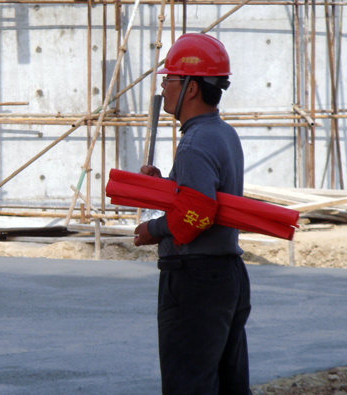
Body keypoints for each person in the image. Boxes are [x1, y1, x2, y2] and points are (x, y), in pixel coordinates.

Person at [133, 33, 252, 395]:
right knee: (229, 386)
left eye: (169, 79)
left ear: (192, 88)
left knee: (189, 386)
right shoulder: (222, 134)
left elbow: (198, 212)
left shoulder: (195, 143)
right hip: (225, 276)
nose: (165, 87)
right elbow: (196, 198)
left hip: (195, 281)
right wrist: (164, 186)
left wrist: (152, 229)